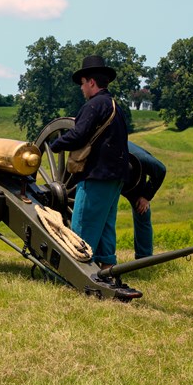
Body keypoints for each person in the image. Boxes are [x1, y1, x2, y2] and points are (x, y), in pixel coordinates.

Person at [49, 55, 129, 269]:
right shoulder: (114, 106)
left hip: (97, 175)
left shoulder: (94, 105)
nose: (81, 88)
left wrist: (55, 144)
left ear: (91, 82)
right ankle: (106, 270)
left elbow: (78, 135)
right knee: (105, 226)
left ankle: (79, 271)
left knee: (82, 226)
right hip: (116, 177)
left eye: (83, 83)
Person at [121, 141, 166, 259]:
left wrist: (146, 196)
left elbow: (161, 170)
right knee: (105, 215)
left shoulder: (144, 160)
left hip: (135, 183)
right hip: (110, 177)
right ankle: (101, 256)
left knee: (142, 212)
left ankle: (144, 257)